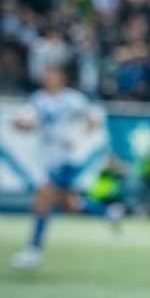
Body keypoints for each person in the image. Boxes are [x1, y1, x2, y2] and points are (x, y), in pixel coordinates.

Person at [10, 65, 105, 270]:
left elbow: (93, 121)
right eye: (46, 75)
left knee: (43, 197)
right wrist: (23, 125)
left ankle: (33, 250)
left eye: (51, 74)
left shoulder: (73, 99)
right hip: (48, 158)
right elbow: (20, 122)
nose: (48, 78)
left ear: (61, 77)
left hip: (66, 159)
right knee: (70, 205)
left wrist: (77, 139)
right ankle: (107, 213)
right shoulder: (38, 100)